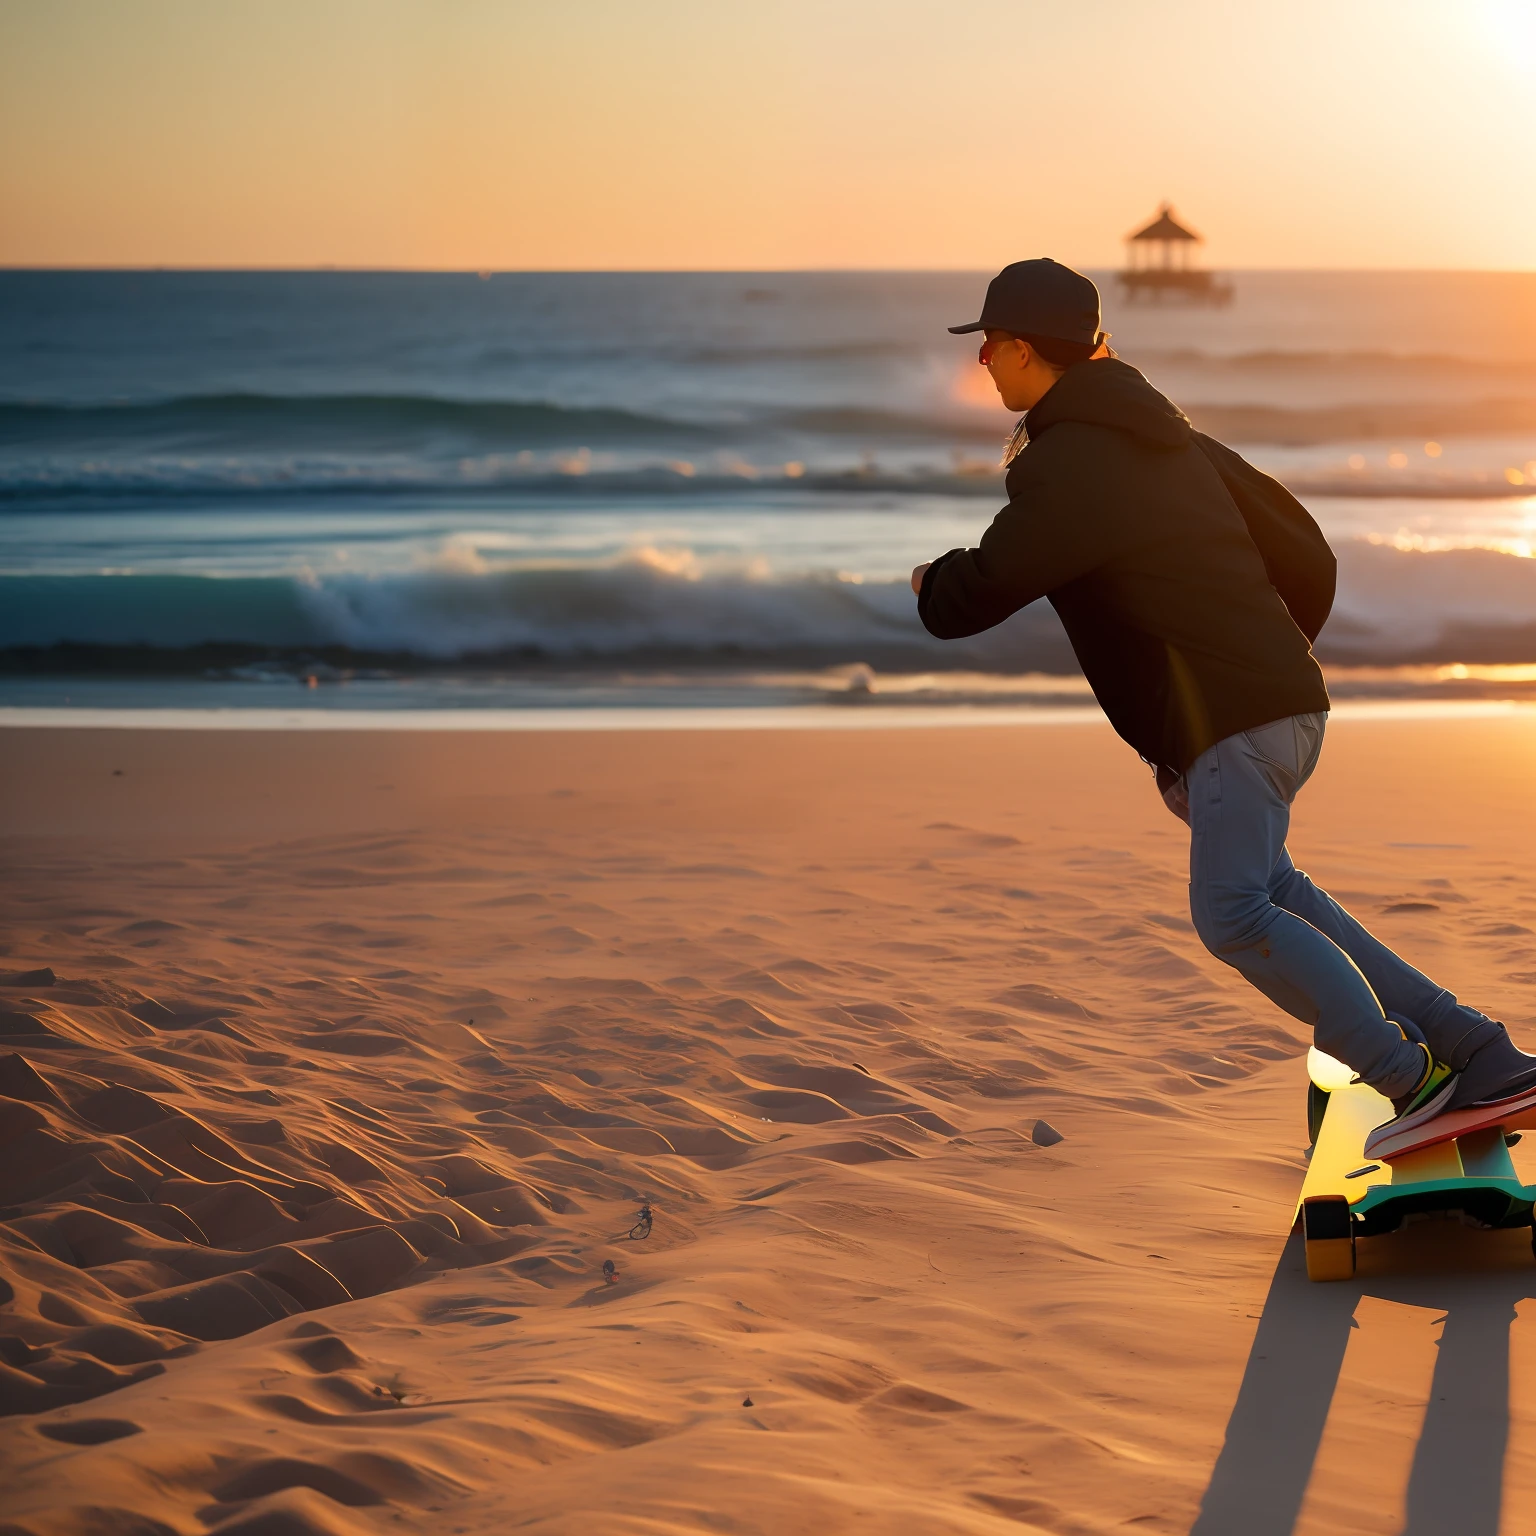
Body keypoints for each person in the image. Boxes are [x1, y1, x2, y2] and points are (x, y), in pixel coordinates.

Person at [913, 258, 1536, 1153]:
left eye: (990, 347)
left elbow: (993, 579)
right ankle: (1478, 1050)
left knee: (1233, 912)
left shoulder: (1073, 459)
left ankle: (1414, 1080)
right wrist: (1276, 662)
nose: (982, 368)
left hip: (1241, 718)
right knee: (1276, 894)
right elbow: (1303, 547)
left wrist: (934, 584)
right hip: (1281, 704)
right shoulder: (1169, 434)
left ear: (1022, 348)